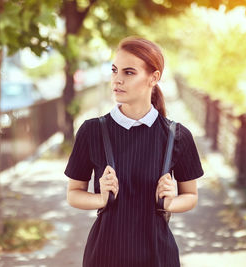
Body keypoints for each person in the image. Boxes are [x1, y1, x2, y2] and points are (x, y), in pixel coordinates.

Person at [64, 36, 204, 267]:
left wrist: (170, 203)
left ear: (154, 78)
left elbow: (191, 196)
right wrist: (100, 198)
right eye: (114, 70)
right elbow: (73, 194)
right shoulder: (92, 131)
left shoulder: (177, 136)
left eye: (129, 73)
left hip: (158, 256)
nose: (117, 80)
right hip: (105, 255)